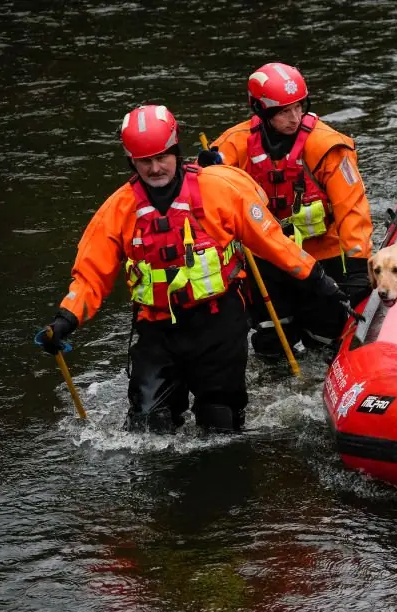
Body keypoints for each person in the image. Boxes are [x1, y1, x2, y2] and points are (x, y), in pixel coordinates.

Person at [35, 105, 350, 432]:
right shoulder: (118, 210)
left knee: (220, 423)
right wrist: (65, 320)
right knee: (146, 428)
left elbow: (274, 243)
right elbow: (90, 276)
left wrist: (321, 282)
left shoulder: (219, 191)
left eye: (162, 158)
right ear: (132, 162)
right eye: (145, 162)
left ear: (176, 151)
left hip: (219, 323)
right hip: (157, 330)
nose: (156, 169)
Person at [198, 62, 373, 358]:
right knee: (271, 338)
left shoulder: (328, 147)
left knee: (327, 336)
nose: (295, 118)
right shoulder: (234, 144)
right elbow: (206, 195)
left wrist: (357, 266)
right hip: (267, 257)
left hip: (322, 256)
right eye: (283, 112)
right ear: (262, 112)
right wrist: (206, 172)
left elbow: (352, 207)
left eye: (299, 107)